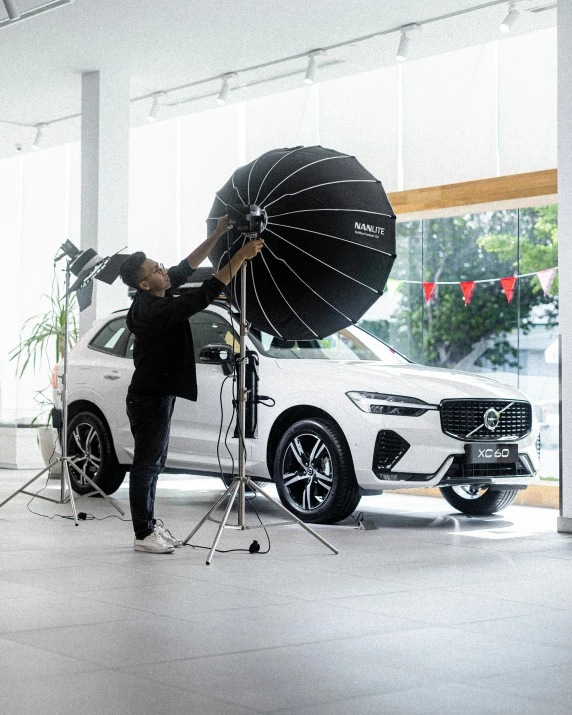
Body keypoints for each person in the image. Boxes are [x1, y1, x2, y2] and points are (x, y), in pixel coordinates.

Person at [118, 217, 264, 553]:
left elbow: (185, 267)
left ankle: (149, 526)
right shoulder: (158, 309)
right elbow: (206, 293)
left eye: (159, 265)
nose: (163, 271)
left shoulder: (153, 295)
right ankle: (143, 534)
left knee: (154, 462)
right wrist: (239, 256)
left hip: (156, 393)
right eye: (156, 270)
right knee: (147, 463)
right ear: (144, 285)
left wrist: (216, 234)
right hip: (150, 396)